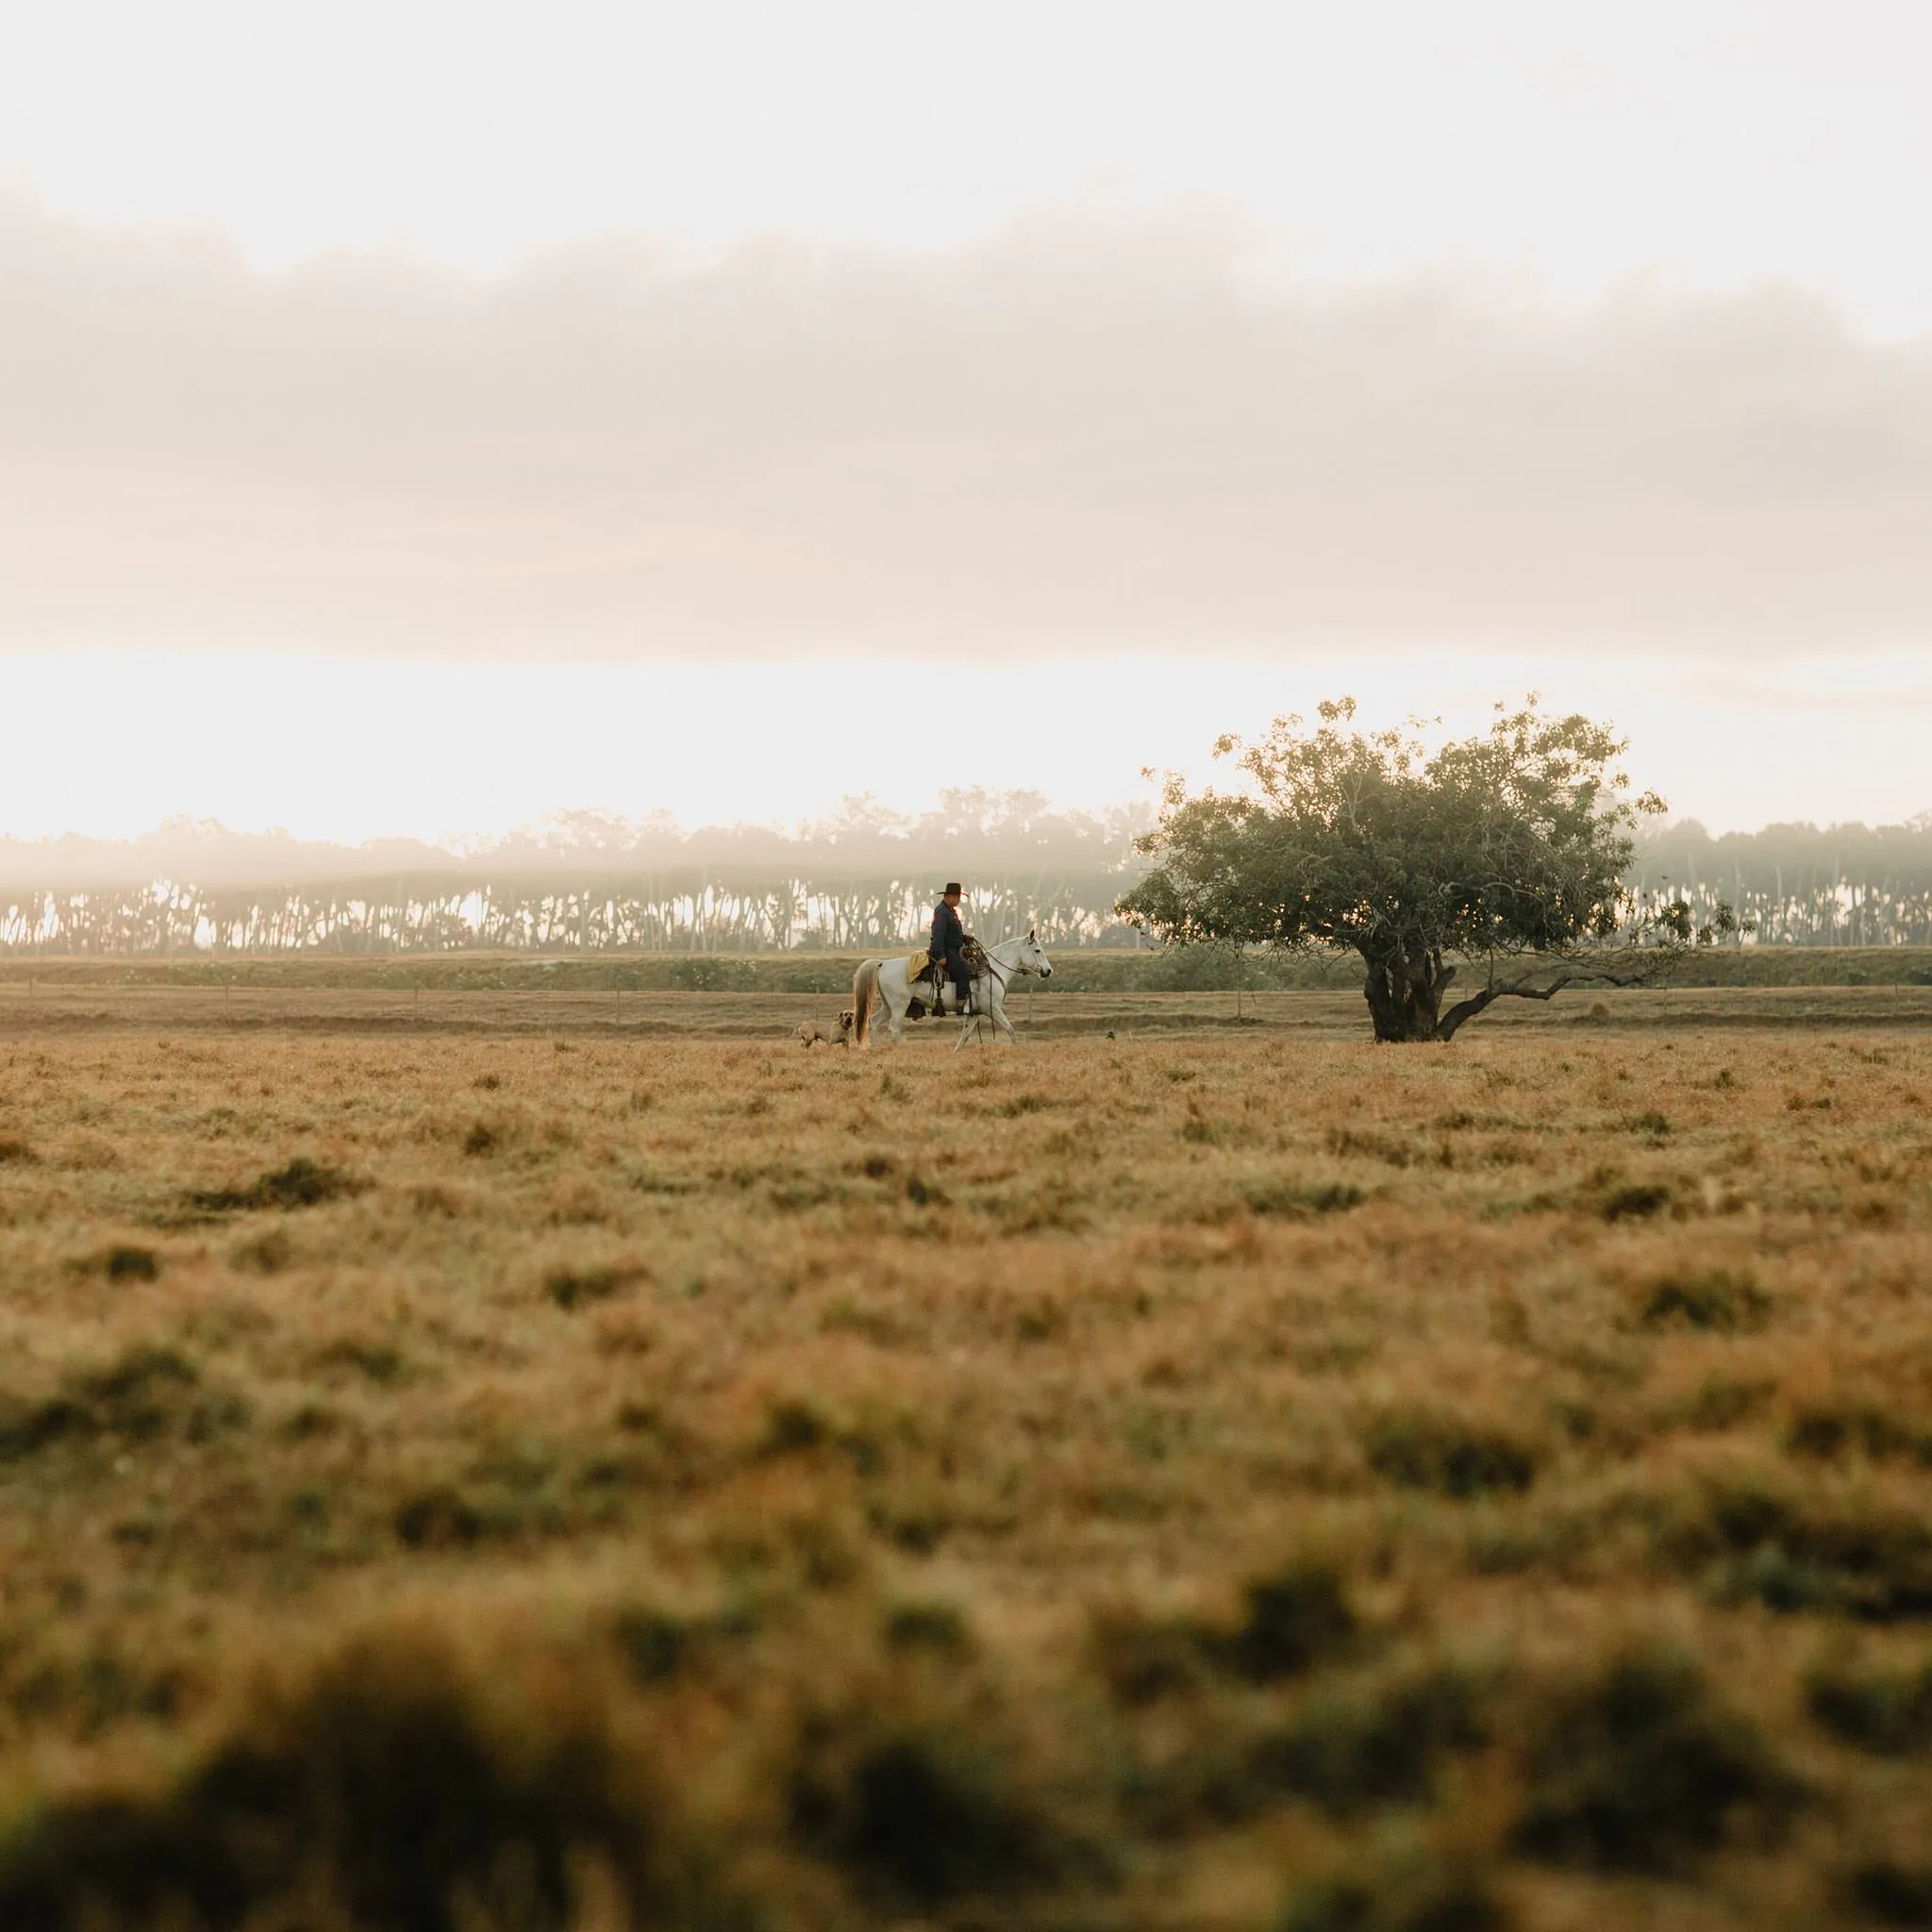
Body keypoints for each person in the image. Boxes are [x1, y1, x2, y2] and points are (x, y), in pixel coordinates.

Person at [929, 882, 973, 1015]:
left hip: (953, 948)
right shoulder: (942, 911)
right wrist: (941, 955)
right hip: (946, 949)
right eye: (957, 897)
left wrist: (964, 938)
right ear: (948, 897)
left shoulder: (951, 911)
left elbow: (952, 933)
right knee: (963, 970)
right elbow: (938, 934)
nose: (959, 900)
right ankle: (961, 1004)